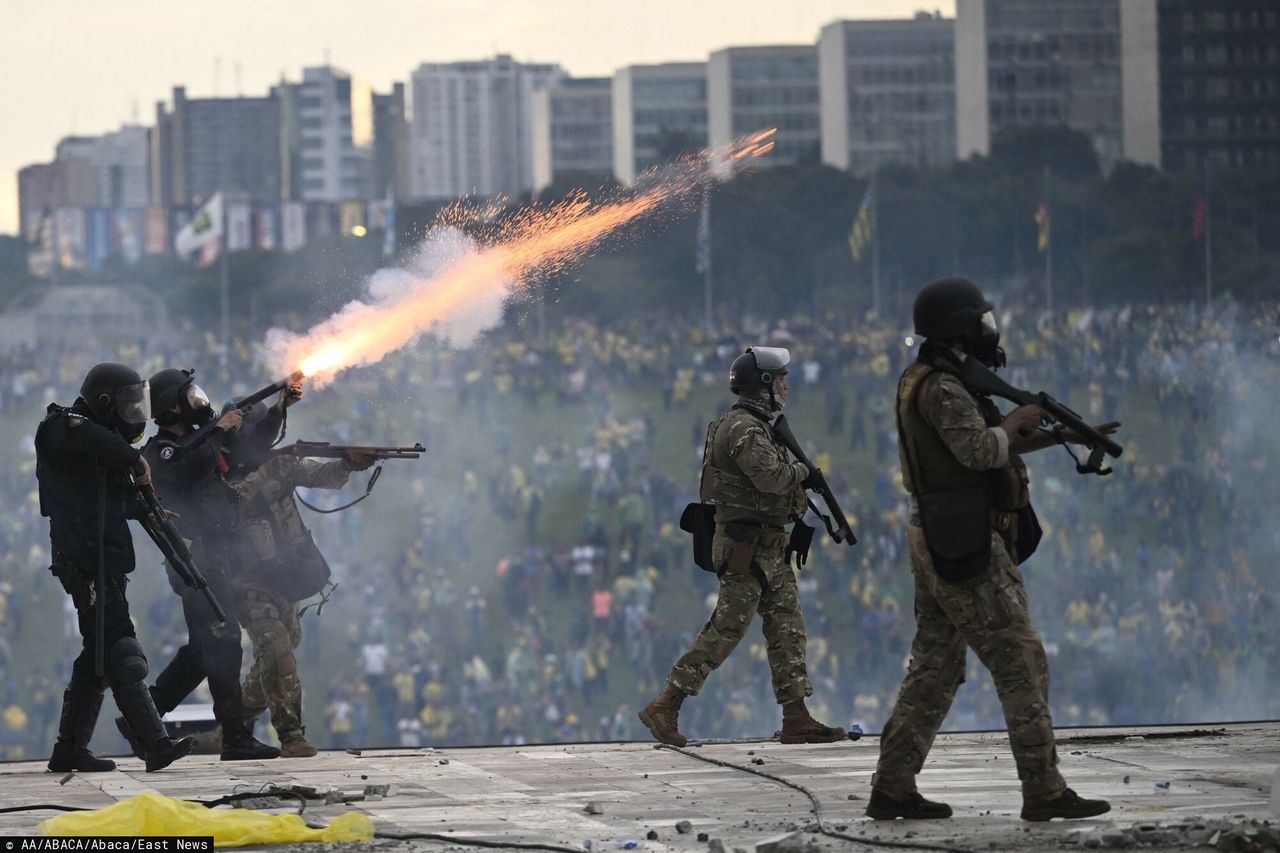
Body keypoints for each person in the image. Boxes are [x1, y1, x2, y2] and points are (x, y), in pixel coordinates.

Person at [868, 277, 1118, 821]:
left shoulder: (943, 379)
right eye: (980, 319)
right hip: (963, 536)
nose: (990, 328)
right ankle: (1044, 789)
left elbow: (993, 445)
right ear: (959, 326)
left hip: (944, 532)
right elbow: (981, 449)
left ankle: (892, 786)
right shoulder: (941, 386)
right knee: (1019, 657)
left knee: (935, 666)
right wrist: (1012, 422)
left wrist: (1065, 436)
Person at [639, 347, 846, 746]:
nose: (787, 383)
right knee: (726, 629)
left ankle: (796, 715)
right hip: (745, 547)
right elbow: (772, 479)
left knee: (787, 628)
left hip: (767, 546)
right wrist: (804, 470)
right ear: (763, 385)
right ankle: (666, 703)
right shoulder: (744, 429)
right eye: (780, 377)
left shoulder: (757, 425)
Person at [36, 363, 196, 772]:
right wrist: (134, 460)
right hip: (83, 560)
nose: (133, 412)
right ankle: (154, 743)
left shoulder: (99, 447)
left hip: (104, 558)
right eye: (124, 403)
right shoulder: (63, 428)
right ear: (104, 403)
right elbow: (85, 435)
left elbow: (113, 499)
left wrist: (150, 511)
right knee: (123, 650)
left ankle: (69, 749)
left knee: (97, 656)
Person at [117, 368, 279, 762]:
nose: (200, 400)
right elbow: (195, 466)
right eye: (191, 395)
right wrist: (220, 430)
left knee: (204, 649)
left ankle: (145, 714)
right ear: (174, 406)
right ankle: (236, 738)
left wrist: (280, 407)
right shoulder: (163, 452)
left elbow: (253, 448)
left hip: (215, 557)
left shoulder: (205, 441)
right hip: (195, 560)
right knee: (223, 643)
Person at [223, 399, 375, 758]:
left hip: (284, 574)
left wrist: (348, 464)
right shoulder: (221, 471)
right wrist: (271, 471)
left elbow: (319, 476)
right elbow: (236, 501)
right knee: (276, 649)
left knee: (285, 644)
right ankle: (291, 735)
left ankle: (235, 721)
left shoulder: (279, 464)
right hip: (247, 579)